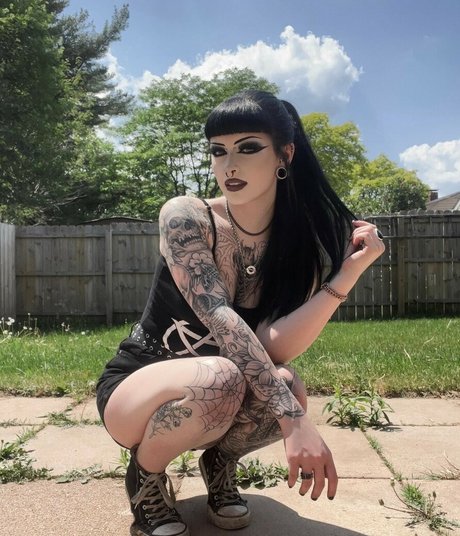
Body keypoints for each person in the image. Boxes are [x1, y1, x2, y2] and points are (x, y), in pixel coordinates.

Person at [96, 89, 385, 536]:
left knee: (287, 382)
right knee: (227, 377)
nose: (229, 165)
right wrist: (294, 421)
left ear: (284, 155)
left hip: (221, 390)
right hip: (139, 387)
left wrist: (348, 273)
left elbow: (274, 347)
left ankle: (220, 462)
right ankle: (146, 476)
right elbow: (219, 315)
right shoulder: (187, 217)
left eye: (248, 148)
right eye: (219, 151)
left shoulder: (295, 243)